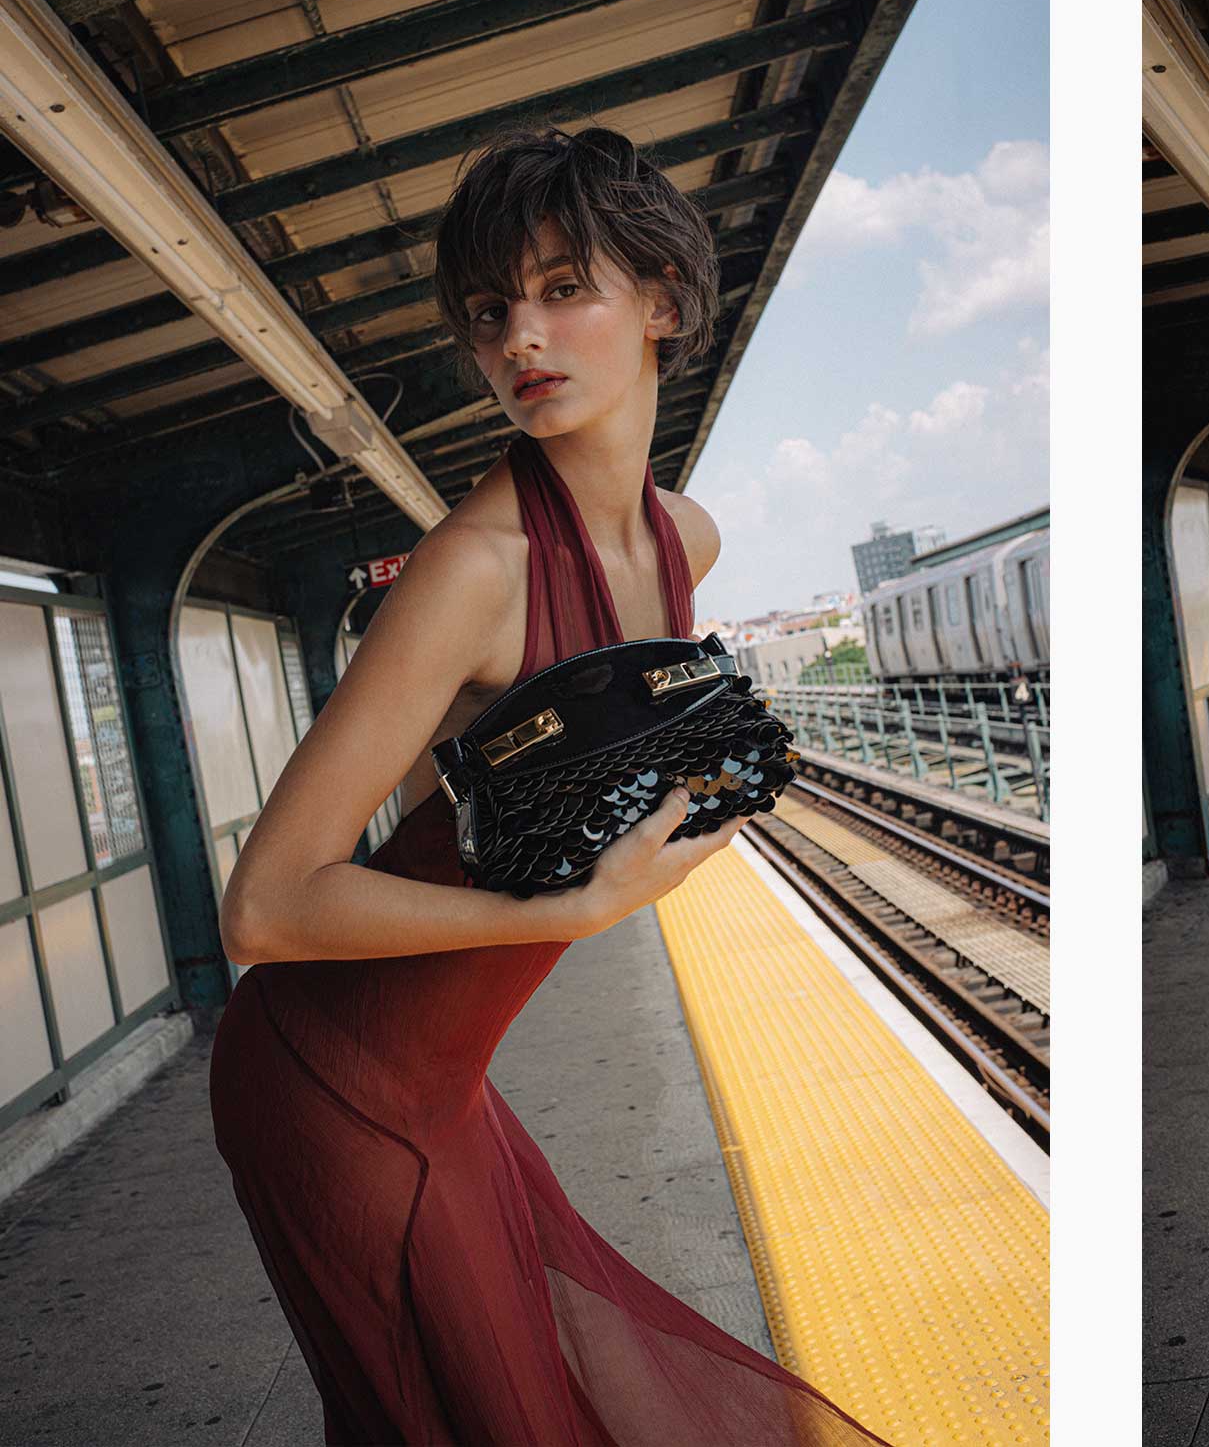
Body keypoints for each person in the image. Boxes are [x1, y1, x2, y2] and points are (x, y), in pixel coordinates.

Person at [209, 127, 889, 1444]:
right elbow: (266, 908)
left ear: (663, 305)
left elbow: (458, 801)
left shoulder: (689, 538)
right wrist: (564, 912)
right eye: (491, 310)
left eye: (564, 285)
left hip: (450, 1081)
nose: (521, 334)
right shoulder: (473, 567)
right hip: (327, 1081)